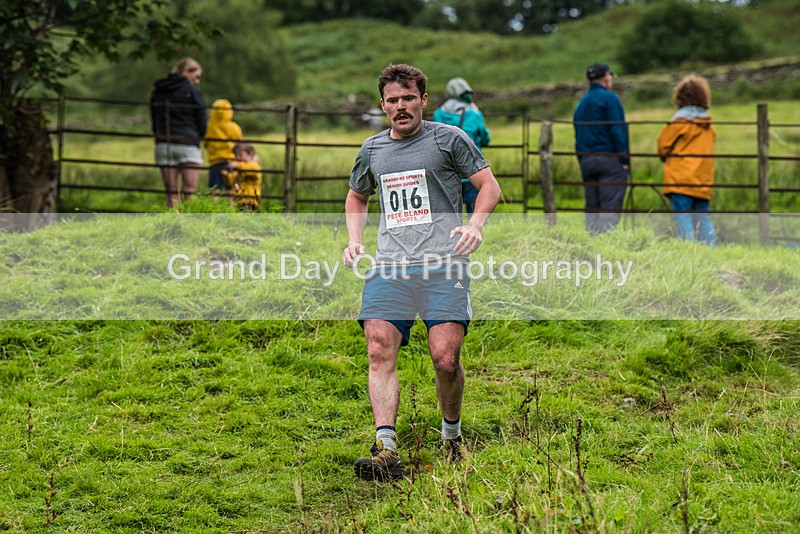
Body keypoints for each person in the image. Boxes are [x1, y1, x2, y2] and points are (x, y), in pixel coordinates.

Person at [343, 64, 502, 482]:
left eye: (408, 98)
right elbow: (356, 196)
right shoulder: (373, 149)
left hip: (443, 265)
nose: (401, 107)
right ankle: (385, 450)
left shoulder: (449, 138)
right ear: (382, 105)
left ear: (423, 100)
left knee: (446, 358)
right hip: (390, 266)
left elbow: (490, 186)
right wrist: (355, 239)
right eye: (392, 100)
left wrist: (474, 226)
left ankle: (452, 437)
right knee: (379, 348)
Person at [658, 75, 716, 246]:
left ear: (680, 97)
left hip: (680, 179)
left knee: (683, 219)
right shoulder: (708, 125)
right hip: (703, 181)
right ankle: (711, 254)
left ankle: (688, 254)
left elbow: (663, 146)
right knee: (703, 219)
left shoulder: (679, 122)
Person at [573, 62, 629, 233]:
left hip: (587, 161)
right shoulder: (610, 99)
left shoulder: (581, 104)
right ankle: (607, 250)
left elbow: (578, 134)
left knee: (592, 207)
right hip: (610, 160)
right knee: (609, 208)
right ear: (606, 77)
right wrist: (624, 159)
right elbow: (617, 130)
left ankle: (591, 246)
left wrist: (582, 159)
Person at [150, 57, 207, 208]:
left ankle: (173, 223)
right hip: (188, 144)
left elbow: (154, 117)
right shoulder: (192, 91)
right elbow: (201, 116)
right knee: (189, 190)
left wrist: (159, 136)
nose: (198, 81)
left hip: (163, 144)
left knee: (171, 192)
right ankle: (188, 223)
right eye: (196, 77)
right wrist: (200, 136)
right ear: (187, 72)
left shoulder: (159, 91)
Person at [433, 77, 491, 216]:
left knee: (450, 215)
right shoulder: (474, 114)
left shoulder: (438, 113)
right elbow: (485, 139)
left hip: (448, 169)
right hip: (473, 169)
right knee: (474, 212)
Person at [203, 99, 243, 203]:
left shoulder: (210, 127)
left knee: (215, 187)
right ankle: (231, 206)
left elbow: (206, 143)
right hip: (231, 161)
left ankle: (215, 205)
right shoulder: (234, 127)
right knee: (230, 187)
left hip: (215, 161)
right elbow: (239, 143)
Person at [222, 142, 261, 212]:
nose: (237, 157)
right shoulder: (238, 169)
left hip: (250, 202)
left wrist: (237, 165)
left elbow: (251, 169)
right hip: (238, 201)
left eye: (240, 155)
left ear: (251, 154)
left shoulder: (254, 165)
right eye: (236, 155)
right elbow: (231, 182)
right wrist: (226, 176)